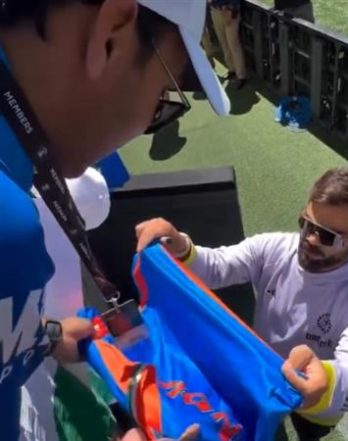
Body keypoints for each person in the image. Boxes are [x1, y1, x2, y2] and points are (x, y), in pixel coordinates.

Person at [0, 0, 241, 439]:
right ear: (111, 32)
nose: (150, 116)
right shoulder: (7, 231)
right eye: (165, 96)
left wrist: (46, 335)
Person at [134, 165, 348, 441]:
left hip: (314, 403)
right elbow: (219, 266)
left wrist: (325, 381)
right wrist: (181, 246)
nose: (310, 239)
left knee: (309, 432)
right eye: (306, 223)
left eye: (328, 236)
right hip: (261, 377)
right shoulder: (274, 248)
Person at [210, 0, 248, 89]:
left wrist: (230, 8)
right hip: (215, 8)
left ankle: (241, 76)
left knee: (233, 44)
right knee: (223, 42)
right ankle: (232, 69)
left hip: (228, 10)